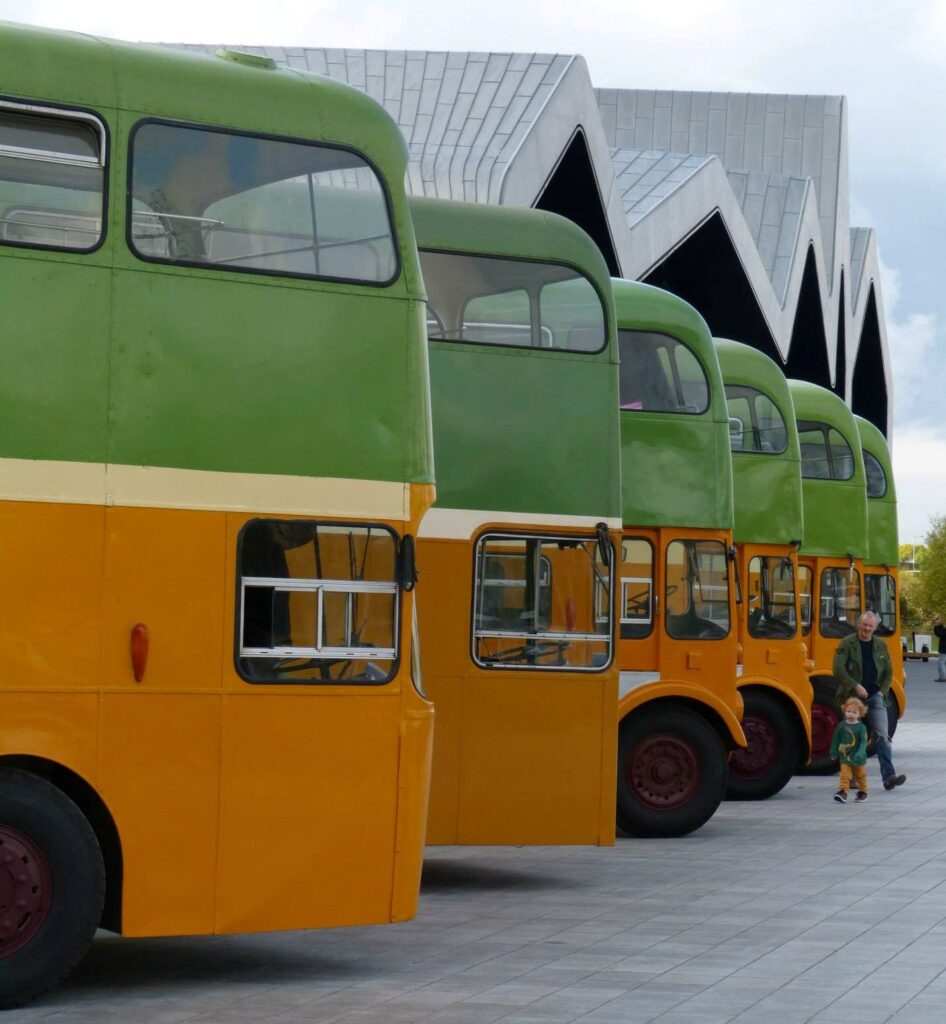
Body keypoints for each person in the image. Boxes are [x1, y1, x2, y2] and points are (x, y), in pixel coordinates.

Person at [833, 610, 905, 791]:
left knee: (883, 736)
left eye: (870, 626)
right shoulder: (847, 643)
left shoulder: (881, 644)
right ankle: (851, 779)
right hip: (853, 698)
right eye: (864, 625)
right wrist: (855, 685)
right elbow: (838, 669)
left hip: (875, 698)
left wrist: (882, 691)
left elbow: (888, 671)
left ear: (875, 627)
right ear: (859, 624)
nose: (867, 629)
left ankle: (889, 777)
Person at [829, 697, 869, 802]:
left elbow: (864, 742)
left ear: (860, 714)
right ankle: (843, 792)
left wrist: (860, 752)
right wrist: (833, 752)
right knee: (844, 774)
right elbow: (836, 739)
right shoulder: (841, 726)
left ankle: (862, 792)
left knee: (860, 775)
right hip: (845, 756)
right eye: (849, 711)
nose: (851, 714)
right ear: (845, 711)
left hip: (858, 757)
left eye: (855, 712)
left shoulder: (861, 727)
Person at [934, 616, 946, 681]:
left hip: (944, 649)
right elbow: (942, 630)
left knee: (941, 663)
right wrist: (939, 624)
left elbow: (939, 633)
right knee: (943, 662)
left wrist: (936, 625)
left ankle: (943, 677)